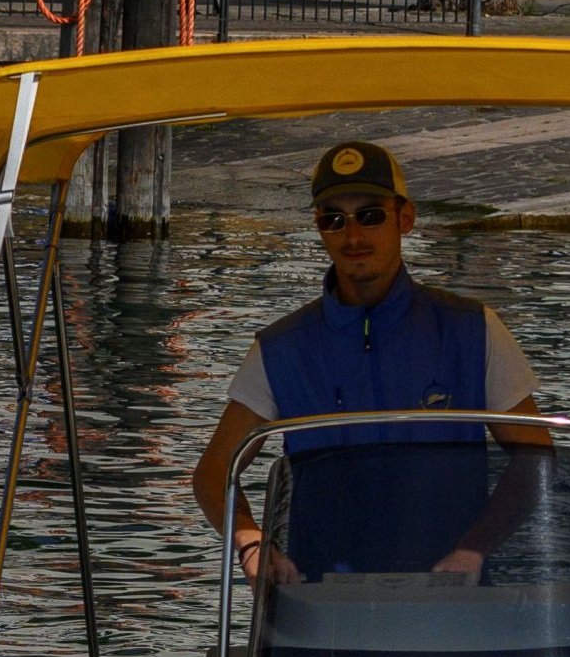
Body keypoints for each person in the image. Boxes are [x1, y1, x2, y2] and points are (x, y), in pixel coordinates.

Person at [191, 140, 545, 585]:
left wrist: (473, 550)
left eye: (371, 215)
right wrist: (251, 544)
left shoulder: (476, 330)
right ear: (319, 228)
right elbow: (212, 473)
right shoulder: (279, 348)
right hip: (322, 609)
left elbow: (535, 461)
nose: (353, 236)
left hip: (454, 600)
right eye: (333, 219)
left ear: (406, 218)